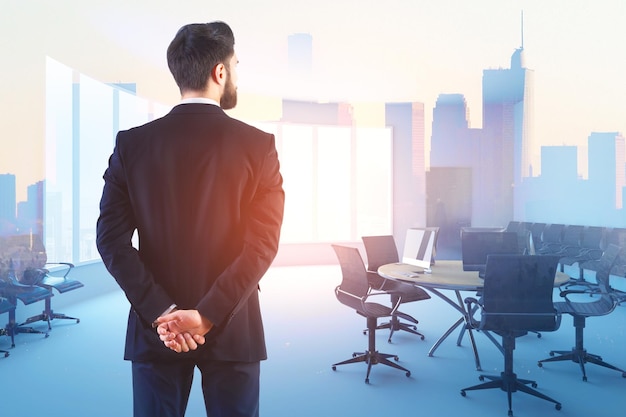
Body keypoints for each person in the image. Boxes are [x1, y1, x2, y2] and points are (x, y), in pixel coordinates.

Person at [96, 21, 285, 417]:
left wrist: (163, 313)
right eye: (235, 65)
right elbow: (263, 245)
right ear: (221, 72)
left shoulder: (132, 145)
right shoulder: (258, 147)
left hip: (157, 331)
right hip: (234, 326)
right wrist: (208, 314)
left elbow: (110, 241)